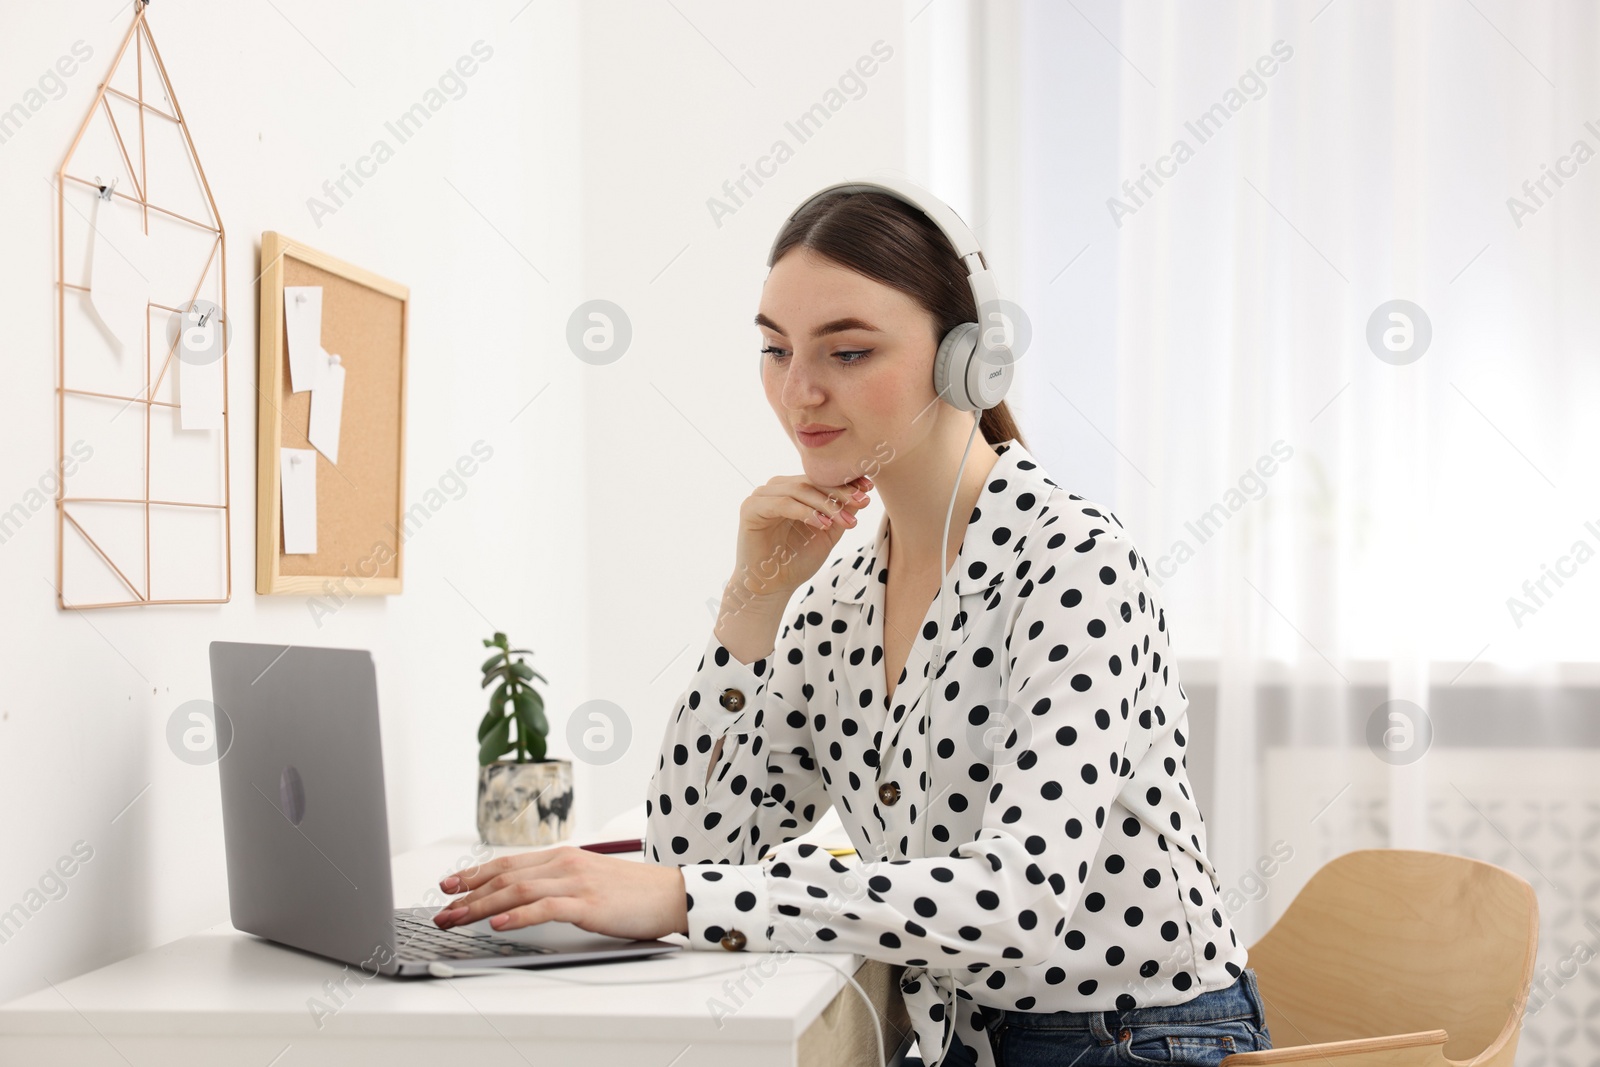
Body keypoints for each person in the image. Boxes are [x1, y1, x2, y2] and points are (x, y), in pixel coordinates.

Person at [431, 181, 1273, 1067]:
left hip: (1131, 1039)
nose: (800, 392)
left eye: (848, 351)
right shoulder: (839, 599)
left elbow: (1018, 902)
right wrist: (751, 604)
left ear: (969, 362)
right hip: (957, 1042)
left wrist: (681, 897)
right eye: (774, 348)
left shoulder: (1074, 563)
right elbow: (698, 848)